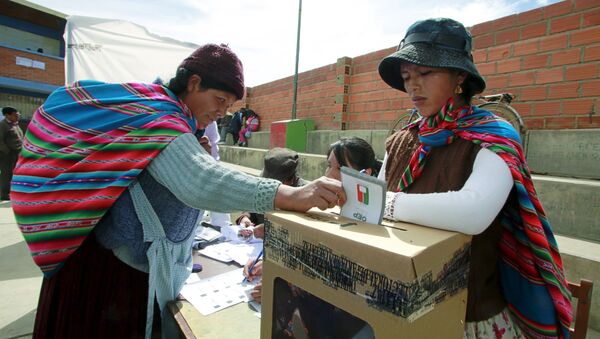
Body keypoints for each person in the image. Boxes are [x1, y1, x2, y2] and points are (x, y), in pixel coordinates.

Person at [12, 43, 345, 339]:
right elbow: (200, 181)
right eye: (219, 100)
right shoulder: (161, 118)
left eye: (229, 106)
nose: (222, 112)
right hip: (110, 279)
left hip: (114, 264)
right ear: (194, 82)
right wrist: (287, 195)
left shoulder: (163, 115)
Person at [377, 18, 572, 338]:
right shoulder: (401, 142)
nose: (413, 85)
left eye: (425, 73)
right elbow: (374, 200)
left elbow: (472, 213)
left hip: (468, 314)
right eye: (407, 76)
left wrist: (386, 203)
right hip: (402, 304)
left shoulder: (493, 136)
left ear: (460, 77)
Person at [237, 147, 308, 240]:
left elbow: (303, 233)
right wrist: (245, 218)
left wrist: (271, 230)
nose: (269, 187)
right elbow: (252, 206)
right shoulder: (263, 186)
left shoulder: (305, 198)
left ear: (290, 180)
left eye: (274, 183)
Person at [0, 106, 23, 200]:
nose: (18, 116)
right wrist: (7, 151)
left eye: (18, 114)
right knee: (7, 174)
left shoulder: (15, 124)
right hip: (7, 154)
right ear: (7, 115)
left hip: (17, 152)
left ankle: (12, 191)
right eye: (15, 114)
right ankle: (4, 194)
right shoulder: (3, 125)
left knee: (16, 173)